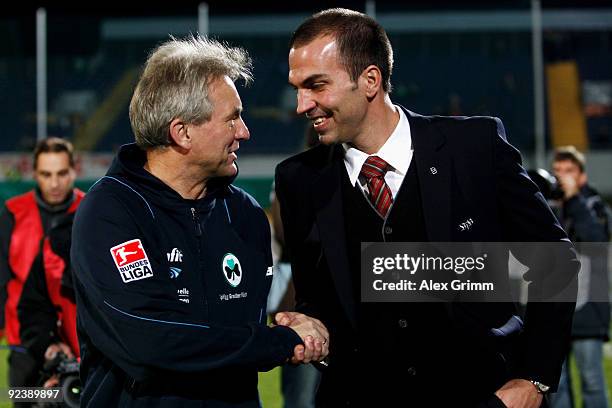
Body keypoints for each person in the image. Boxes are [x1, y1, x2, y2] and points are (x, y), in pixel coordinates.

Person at [274, 8, 579, 408]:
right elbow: (316, 297)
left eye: (316, 86)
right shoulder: (299, 179)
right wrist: (309, 324)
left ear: (370, 80)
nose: (301, 105)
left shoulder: (474, 147)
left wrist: (533, 377)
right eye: (297, 88)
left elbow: (554, 260)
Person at [71, 35, 328, 407]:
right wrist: (277, 342)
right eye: (232, 118)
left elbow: (242, 337)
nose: (244, 132)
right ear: (182, 132)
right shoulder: (111, 213)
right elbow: (149, 342)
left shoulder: (246, 216)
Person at [0, 137, 83, 395]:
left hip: (81, 346)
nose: (55, 183)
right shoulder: (12, 214)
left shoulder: (92, 211)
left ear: (73, 171)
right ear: (35, 174)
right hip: (25, 345)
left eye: (61, 173)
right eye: (46, 174)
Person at [549, 146, 610, 408]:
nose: (562, 177)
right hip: (553, 309)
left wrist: (573, 199)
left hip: (588, 309)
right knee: (556, 382)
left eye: (569, 171)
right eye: (558, 171)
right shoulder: (546, 207)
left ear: (582, 176)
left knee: (592, 380)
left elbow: (595, 242)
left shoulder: (594, 206)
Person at [18, 211, 79, 389]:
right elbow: (34, 310)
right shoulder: (50, 255)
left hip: (129, 375)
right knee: (27, 395)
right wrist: (48, 346)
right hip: (69, 371)